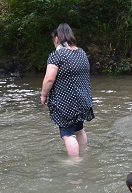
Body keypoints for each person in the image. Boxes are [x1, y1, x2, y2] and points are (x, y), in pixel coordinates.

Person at [40, 23, 94, 159]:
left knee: (67, 133)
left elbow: (49, 79)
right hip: (83, 99)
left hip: (66, 103)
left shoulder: (56, 56)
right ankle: (84, 154)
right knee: (79, 129)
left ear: (57, 39)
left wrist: (43, 95)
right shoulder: (81, 52)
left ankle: (75, 162)